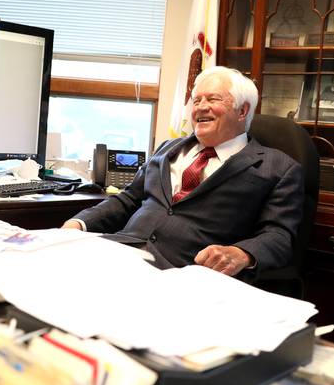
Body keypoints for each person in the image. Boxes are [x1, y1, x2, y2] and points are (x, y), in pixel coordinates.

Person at [62, 66, 305, 278]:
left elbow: (279, 236)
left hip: (184, 273)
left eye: (213, 99)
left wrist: (241, 254)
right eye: (196, 100)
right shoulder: (167, 149)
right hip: (117, 254)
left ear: (242, 111)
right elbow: (129, 199)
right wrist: (80, 222)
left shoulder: (279, 169)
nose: (201, 107)